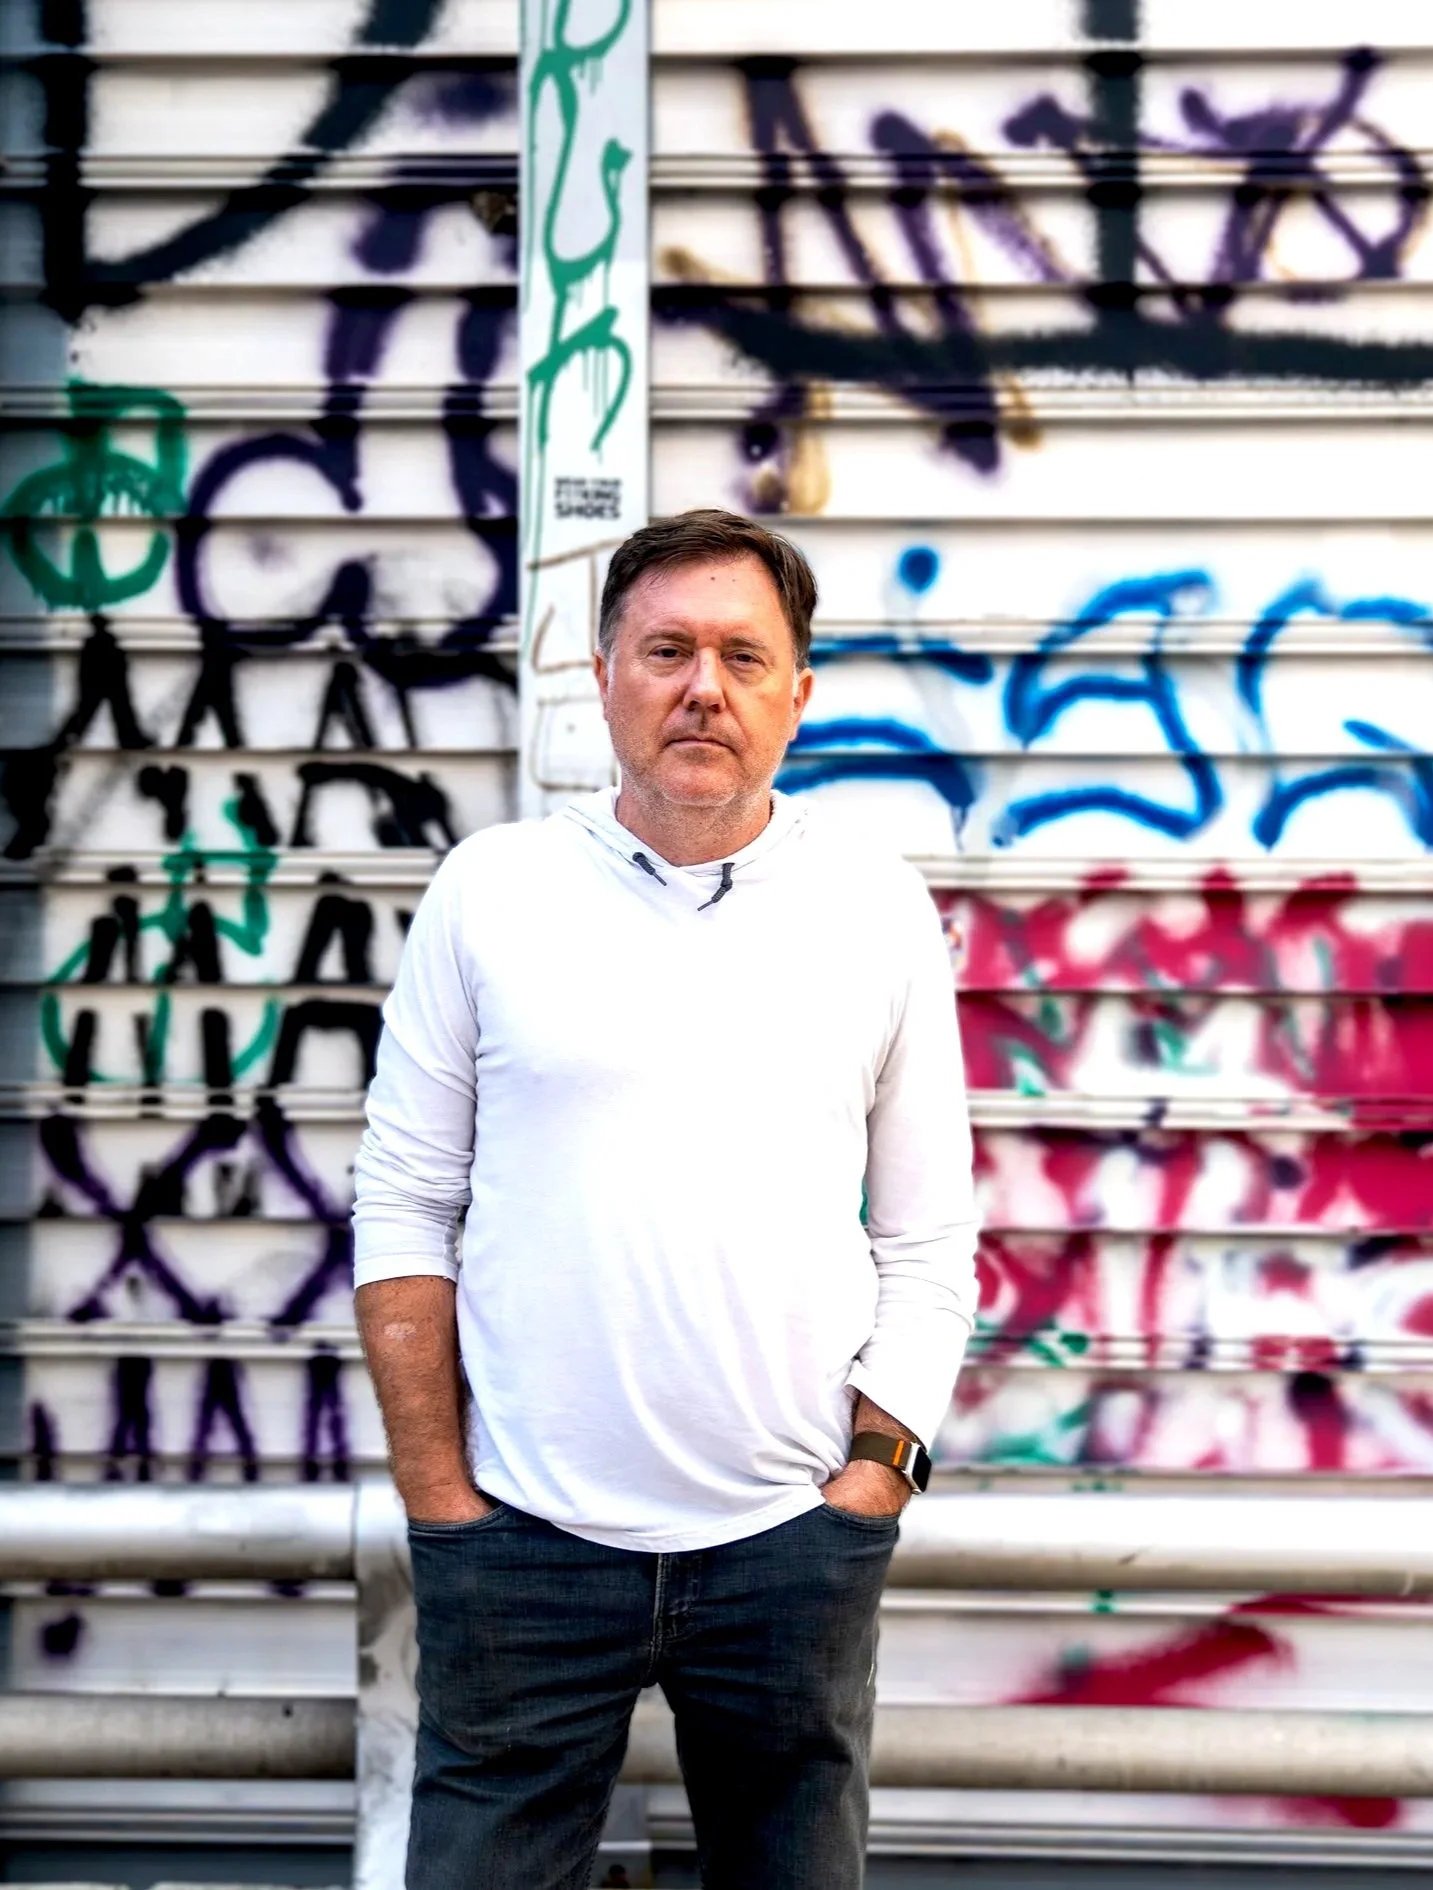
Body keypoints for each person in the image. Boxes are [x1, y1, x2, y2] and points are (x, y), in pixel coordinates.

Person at [352, 507, 980, 1889]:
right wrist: (441, 1500)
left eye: (744, 656)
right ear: (602, 674)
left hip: (786, 1549)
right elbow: (402, 1204)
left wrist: (874, 1477)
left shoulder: (874, 908)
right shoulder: (491, 891)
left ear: (796, 694)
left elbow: (930, 1239)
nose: (704, 685)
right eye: (668, 649)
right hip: (519, 1540)